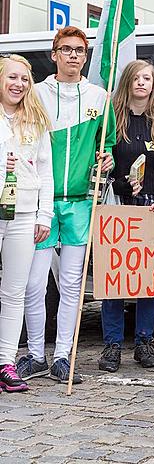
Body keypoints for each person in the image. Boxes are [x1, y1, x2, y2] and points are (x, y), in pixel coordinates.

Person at [17, 27, 116, 384]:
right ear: (55, 54)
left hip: (79, 203)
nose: (73, 56)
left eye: (79, 51)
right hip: (41, 203)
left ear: (86, 57)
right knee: (34, 282)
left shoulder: (99, 97)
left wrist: (108, 160)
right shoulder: (36, 94)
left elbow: (110, 148)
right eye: (66, 50)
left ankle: (62, 355)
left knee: (73, 284)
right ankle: (34, 353)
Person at [98, 60, 154, 373]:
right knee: (115, 279)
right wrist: (118, 182)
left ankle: (145, 341)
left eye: (147, 78)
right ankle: (112, 344)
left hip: (152, 210)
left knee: (149, 279)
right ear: (128, 83)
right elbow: (102, 168)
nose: (142, 83)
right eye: (136, 78)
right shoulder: (112, 122)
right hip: (117, 209)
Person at [0, 54, 53, 392]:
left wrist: (43, 214)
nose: (18, 84)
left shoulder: (35, 119)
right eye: (12, 77)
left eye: (24, 79)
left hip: (23, 215)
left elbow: (45, 172)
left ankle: (6, 361)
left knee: (14, 292)